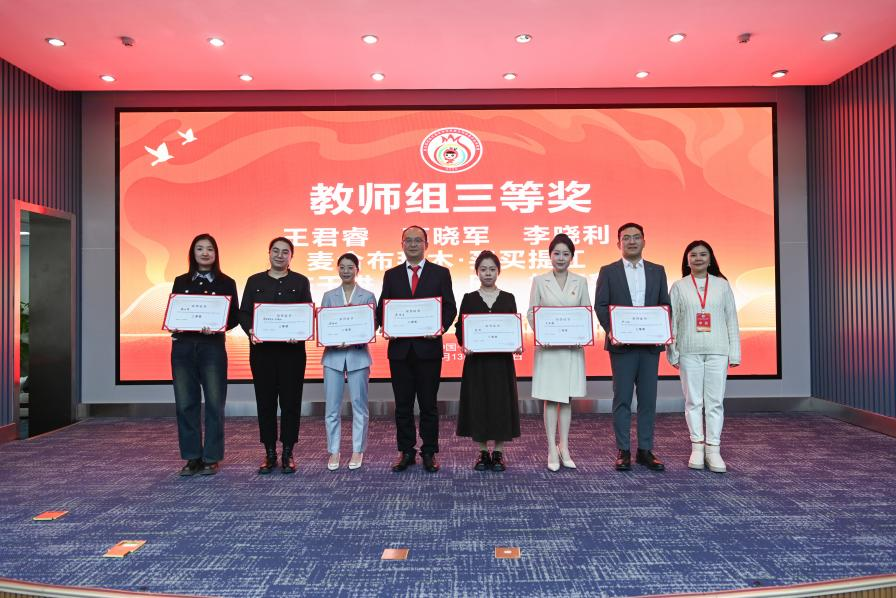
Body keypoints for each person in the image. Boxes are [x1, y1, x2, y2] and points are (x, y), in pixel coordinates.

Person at [376, 225, 457, 473]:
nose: (413, 244)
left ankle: (429, 451)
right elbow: (382, 308)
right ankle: (406, 451)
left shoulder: (440, 273)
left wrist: (439, 328)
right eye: (408, 240)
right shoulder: (391, 275)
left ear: (426, 244)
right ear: (402, 244)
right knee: (402, 405)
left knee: (428, 405)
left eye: (418, 240)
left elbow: (450, 308)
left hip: (428, 349)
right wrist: (385, 324)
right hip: (400, 351)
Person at [595, 223, 671, 472]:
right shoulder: (608, 271)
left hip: (649, 347)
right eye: (626, 238)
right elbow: (601, 305)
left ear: (644, 241)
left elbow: (665, 305)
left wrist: (660, 330)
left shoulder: (658, 271)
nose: (631, 241)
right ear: (618, 243)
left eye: (636, 237)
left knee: (648, 399)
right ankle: (623, 450)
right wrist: (613, 331)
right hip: (622, 347)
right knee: (622, 398)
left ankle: (645, 450)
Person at [239, 237, 312, 475]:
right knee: (265, 403)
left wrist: (299, 333)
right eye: (276, 251)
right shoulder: (254, 281)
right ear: (269, 253)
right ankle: (269, 452)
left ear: (291, 256)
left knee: (291, 402)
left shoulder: (301, 281)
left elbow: (306, 313)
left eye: (285, 252)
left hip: (292, 353)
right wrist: (251, 330)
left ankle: (288, 452)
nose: (280, 255)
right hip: (262, 353)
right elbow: (244, 313)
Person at [667, 240, 741, 473]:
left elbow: (731, 319)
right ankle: (697, 447)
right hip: (689, 350)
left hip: (718, 350)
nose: (698, 258)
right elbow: (673, 321)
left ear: (710, 259)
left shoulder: (722, 285)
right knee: (693, 401)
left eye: (703, 254)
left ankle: (713, 449)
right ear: (686, 260)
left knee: (715, 402)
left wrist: (734, 352)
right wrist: (673, 351)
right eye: (693, 255)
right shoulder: (679, 286)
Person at [170, 233, 239, 476]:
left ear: (216, 253)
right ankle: (192, 457)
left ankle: (211, 457)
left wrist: (219, 325)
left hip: (212, 347)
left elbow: (234, 317)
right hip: (183, 348)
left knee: (214, 403)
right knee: (185, 403)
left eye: (210, 248)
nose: (205, 253)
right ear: (193, 253)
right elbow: (175, 311)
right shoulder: (180, 281)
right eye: (200, 248)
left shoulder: (226, 282)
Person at [527, 233, 591, 472]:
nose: (561, 258)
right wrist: (544, 333)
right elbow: (532, 313)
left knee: (566, 399)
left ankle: (564, 447)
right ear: (550, 256)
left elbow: (586, 312)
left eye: (565, 254)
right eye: (557, 253)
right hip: (549, 348)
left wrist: (580, 335)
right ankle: (551, 449)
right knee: (551, 398)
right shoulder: (539, 280)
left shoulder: (580, 281)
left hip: (571, 348)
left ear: (572, 257)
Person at [455, 250, 521, 471]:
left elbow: (513, 327)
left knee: (501, 404)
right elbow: (460, 328)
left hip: (501, 363)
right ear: (477, 272)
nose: (488, 273)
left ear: (498, 272)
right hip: (477, 363)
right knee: (479, 404)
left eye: (492, 269)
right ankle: (483, 452)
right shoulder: (469, 298)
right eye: (483, 269)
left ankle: (499, 453)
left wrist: (516, 343)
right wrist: (465, 343)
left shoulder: (509, 298)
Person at [320, 253, 375, 471]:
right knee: (332, 408)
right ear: (337, 269)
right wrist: (333, 339)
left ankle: (357, 450)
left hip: (358, 356)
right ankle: (334, 451)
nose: (346, 271)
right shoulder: (328, 296)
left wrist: (354, 338)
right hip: (333, 357)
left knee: (359, 407)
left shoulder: (368, 296)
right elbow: (323, 326)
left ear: (357, 270)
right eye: (342, 267)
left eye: (350, 267)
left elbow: (371, 327)